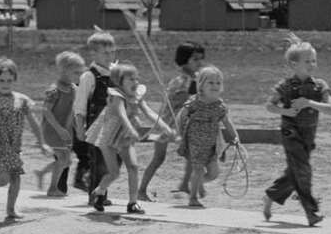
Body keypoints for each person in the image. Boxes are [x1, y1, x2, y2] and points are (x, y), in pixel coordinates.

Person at [262, 35, 331, 226]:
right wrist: (285, 110)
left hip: (308, 136)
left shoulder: (320, 86)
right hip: (290, 134)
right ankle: (311, 212)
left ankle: (271, 195)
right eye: (307, 61)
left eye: (314, 60)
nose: (312, 64)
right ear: (294, 64)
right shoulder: (285, 86)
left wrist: (309, 103)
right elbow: (269, 105)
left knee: (295, 172)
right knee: (303, 171)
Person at [84, 62, 173, 213]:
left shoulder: (136, 96)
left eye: (136, 79)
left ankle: (133, 203)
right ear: (119, 82)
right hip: (110, 139)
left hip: (124, 138)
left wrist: (165, 127)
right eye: (131, 79)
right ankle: (99, 191)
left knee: (133, 167)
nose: (135, 82)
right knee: (114, 173)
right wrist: (130, 127)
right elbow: (121, 113)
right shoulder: (116, 96)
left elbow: (149, 112)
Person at [0, 57, 49, 220]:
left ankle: (10, 210)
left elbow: (34, 122)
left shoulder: (21, 100)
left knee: (15, 177)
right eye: (1, 80)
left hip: (15, 145)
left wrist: (42, 142)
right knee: (4, 178)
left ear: (14, 79)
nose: (5, 83)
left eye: (9, 80)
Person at [141, 41, 205, 201]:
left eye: (200, 59)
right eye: (195, 59)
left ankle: (185, 183)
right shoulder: (181, 80)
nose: (200, 63)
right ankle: (141, 190)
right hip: (168, 124)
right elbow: (183, 99)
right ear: (185, 60)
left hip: (183, 124)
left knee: (193, 154)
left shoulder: (196, 78)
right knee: (158, 158)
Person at [174, 65, 240, 209]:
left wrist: (235, 138)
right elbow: (181, 117)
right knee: (197, 169)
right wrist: (179, 135)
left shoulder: (220, 106)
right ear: (201, 85)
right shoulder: (194, 102)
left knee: (214, 173)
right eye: (210, 82)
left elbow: (227, 122)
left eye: (218, 83)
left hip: (211, 144)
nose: (215, 86)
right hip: (194, 142)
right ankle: (193, 198)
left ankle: (196, 183)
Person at [71, 30, 118, 200]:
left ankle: (101, 191)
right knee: (99, 162)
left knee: (114, 161)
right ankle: (96, 196)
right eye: (105, 52)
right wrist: (79, 127)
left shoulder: (116, 72)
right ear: (93, 53)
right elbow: (80, 105)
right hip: (96, 126)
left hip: (116, 124)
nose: (110, 55)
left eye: (113, 51)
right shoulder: (89, 76)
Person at [39, 50, 85, 197]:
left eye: (80, 73)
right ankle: (52, 188)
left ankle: (45, 177)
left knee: (66, 161)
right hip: (53, 130)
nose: (79, 76)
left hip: (66, 131)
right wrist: (59, 129)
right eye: (76, 73)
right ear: (64, 71)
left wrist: (77, 129)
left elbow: (73, 112)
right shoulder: (54, 90)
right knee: (64, 159)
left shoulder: (74, 89)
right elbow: (46, 110)